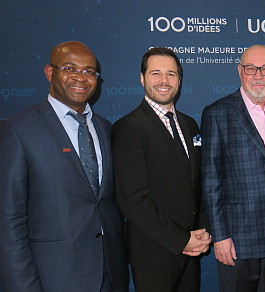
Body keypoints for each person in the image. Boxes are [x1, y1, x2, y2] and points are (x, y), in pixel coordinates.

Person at [0, 41, 129, 291]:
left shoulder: (106, 129)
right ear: (50, 72)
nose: (81, 78)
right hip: (55, 279)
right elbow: (9, 223)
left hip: (110, 276)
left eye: (89, 71)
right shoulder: (17, 130)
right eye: (70, 68)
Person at [201, 44, 265, 291]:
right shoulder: (217, 113)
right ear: (239, 71)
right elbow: (211, 181)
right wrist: (220, 236)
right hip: (238, 238)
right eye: (250, 68)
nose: (258, 75)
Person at [112, 47, 211, 292]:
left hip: (191, 250)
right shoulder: (129, 128)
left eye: (171, 74)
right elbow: (132, 200)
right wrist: (182, 240)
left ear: (180, 79)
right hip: (153, 253)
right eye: (156, 73)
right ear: (142, 78)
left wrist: (200, 234)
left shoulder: (189, 124)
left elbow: (199, 183)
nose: (164, 81)